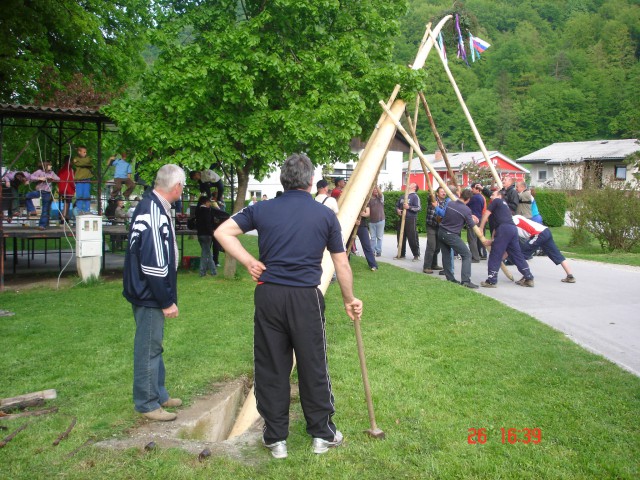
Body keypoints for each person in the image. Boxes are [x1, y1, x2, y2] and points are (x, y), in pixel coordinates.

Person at [214, 153, 362, 459]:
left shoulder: (262, 209)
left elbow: (222, 231)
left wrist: (248, 261)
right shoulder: (324, 215)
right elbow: (341, 263)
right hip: (305, 298)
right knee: (313, 363)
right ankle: (322, 434)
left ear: (284, 180)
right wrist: (350, 299)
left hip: (269, 296)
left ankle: (276, 438)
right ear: (311, 182)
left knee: (271, 364)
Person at [123, 164, 186, 422]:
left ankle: (159, 394)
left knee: (154, 346)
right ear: (177, 187)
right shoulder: (153, 211)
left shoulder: (154, 206)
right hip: (150, 295)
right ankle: (148, 403)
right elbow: (153, 264)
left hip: (147, 292)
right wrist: (166, 300)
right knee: (148, 347)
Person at [479, 189, 534, 288]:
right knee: (517, 255)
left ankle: (491, 281)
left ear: (499, 196)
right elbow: (497, 227)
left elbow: (486, 214)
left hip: (504, 229)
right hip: (512, 229)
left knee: (495, 254)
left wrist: (481, 228)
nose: (491, 197)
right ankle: (529, 277)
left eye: (493, 195)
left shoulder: (496, 201)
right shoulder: (505, 207)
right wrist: (492, 241)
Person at [512, 215, 576, 283]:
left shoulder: (512, 221)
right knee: (557, 254)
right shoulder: (517, 216)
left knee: (521, 255)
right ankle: (570, 276)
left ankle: (527, 277)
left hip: (538, 234)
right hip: (545, 230)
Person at [437, 189, 479, 288]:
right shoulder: (466, 210)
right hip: (451, 234)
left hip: (441, 232)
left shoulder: (450, 204)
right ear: (468, 199)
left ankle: (450, 279)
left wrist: (469, 216)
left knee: (446, 255)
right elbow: (470, 224)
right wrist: (475, 222)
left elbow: (457, 213)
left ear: (460, 195)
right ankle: (466, 281)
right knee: (467, 254)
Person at [25, 162, 60, 230]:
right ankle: (32, 210)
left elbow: (58, 178)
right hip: (39, 191)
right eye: (49, 165)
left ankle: (42, 225)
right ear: (45, 166)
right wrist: (39, 178)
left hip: (47, 192)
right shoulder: (39, 171)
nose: (51, 166)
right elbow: (30, 176)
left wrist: (51, 178)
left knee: (45, 209)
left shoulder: (51, 173)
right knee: (27, 196)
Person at [394, 183, 421, 261]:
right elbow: (397, 205)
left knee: (412, 237)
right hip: (401, 219)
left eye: (411, 184)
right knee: (400, 237)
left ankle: (416, 255)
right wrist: (398, 210)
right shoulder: (403, 196)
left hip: (410, 219)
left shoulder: (415, 196)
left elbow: (418, 208)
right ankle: (401, 254)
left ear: (414, 188)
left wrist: (409, 207)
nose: (409, 184)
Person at [422, 188, 444, 274]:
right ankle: (427, 266)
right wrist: (432, 194)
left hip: (440, 226)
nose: (444, 193)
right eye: (441, 191)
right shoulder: (433, 200)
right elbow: (429, 197)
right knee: (431, 245)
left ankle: (434, 264)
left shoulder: (446, 202)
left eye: (444, 191)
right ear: (437, 193)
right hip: (431, 226)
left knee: (437, 247)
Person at [195, 196, 217, 277]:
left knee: (207, 252)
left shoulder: (197, 210)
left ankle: (210, 271)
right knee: (206, 253)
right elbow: (208, 223)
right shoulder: (206, 211)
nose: (209, 204)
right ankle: (206, 271)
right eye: (208, 202)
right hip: (207, 234)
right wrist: (212, 232)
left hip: (200, 234)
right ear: (205, 202)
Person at [354, 206, 378, 271]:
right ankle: (345, 264)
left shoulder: (364, 201)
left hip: (362, 226)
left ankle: (373, 265)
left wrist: (363, 214)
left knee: (367, 245)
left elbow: (368, 213)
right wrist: (354, 220)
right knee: (346, 246)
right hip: (351, 226)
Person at [73, 145, 93, 214]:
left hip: (87, 179)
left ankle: (87, 210)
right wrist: (85, 164)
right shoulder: (75, 158)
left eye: (86, 152)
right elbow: (77, 163)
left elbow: (87, 162)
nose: (85, 153)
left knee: (86, 195)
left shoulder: (88, 158)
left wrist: (80, 162)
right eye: (84, 152)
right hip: (79, 180)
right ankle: (79, 210)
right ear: (79, 152)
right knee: (80, 195)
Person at [367, 185, 385, 257]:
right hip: (371, 221)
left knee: (379, 237)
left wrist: (376, 186)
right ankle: (372, 251)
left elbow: (380, 194)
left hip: (380, 220)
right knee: (373, 237)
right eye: (374, 189)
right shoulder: (369, 200)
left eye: (376, 190)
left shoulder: (380, 198)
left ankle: (378, 251)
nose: (375, 191)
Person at [57, 155, 75, 222]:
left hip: (62, 188)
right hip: (68, 189)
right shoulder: (70, 170)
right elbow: (72, 180)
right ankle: (63, 217)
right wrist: (74, 187)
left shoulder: (61, 169)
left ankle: (65, 216)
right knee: (67, 203)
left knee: (66, 202)